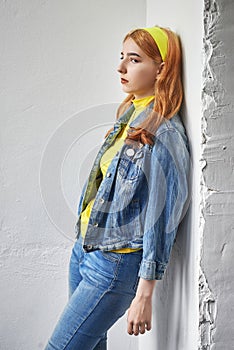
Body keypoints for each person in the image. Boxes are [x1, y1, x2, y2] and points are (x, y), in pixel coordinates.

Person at [45, 25, 190, 350]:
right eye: (122, 57)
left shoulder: (164, 130)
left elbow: (162, 216)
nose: (121, 67)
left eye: (134, 59)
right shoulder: (129, 113)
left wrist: (145, 292)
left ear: (161, 68)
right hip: (84, 249)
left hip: (115, 263)